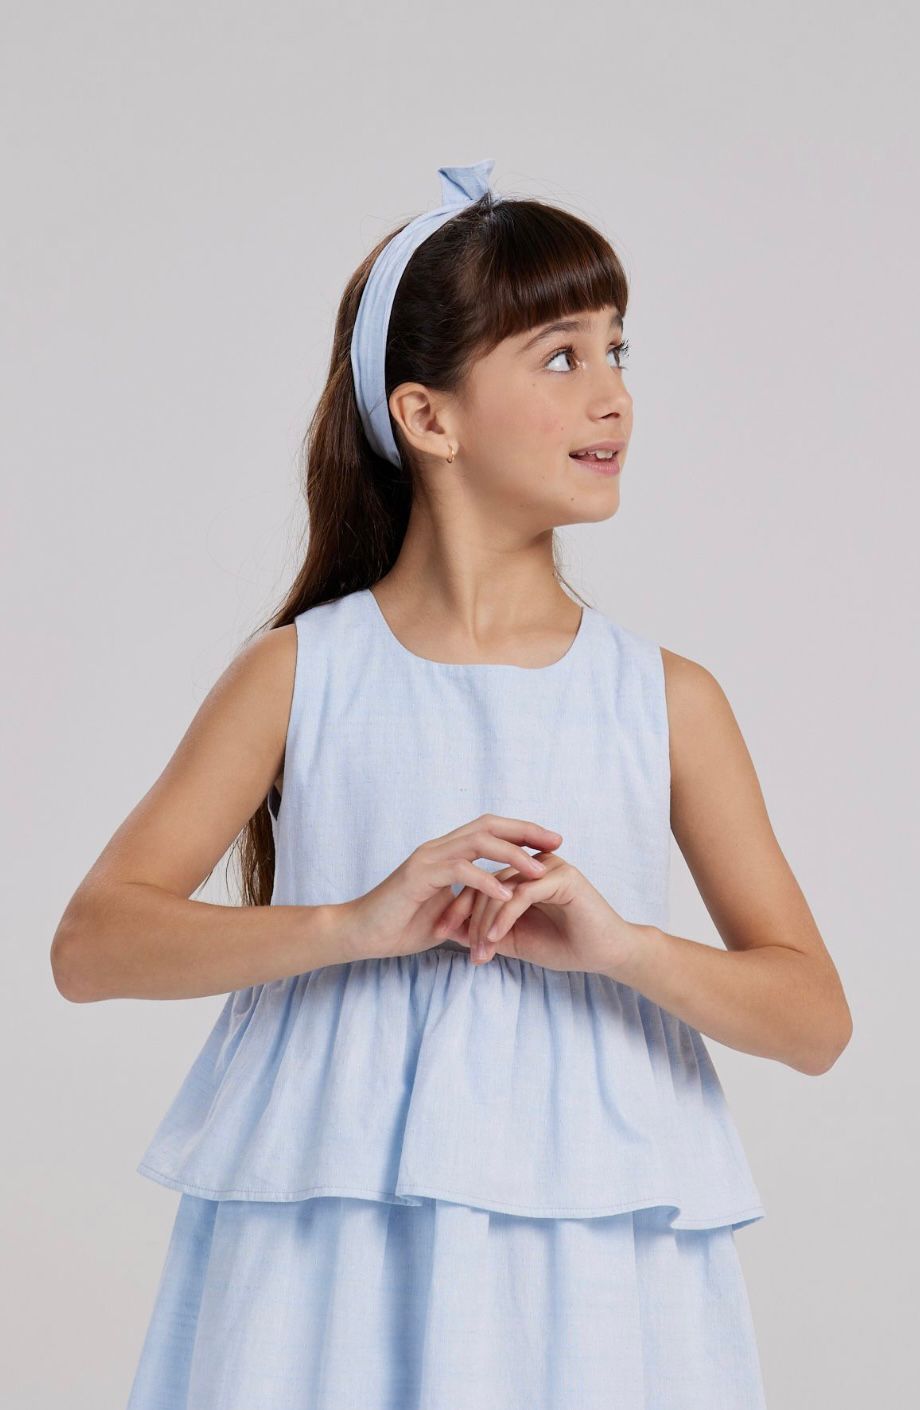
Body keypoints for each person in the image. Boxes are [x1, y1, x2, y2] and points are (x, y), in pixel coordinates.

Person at [52, 159, 852, 1409]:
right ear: (427, 418)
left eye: (616, 350)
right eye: (559, 356)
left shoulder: (664, 698)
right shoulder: (300, 674)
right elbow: (93, 946)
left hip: (600, 1240)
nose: (612, 396)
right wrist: (352, 925)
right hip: (327, 1235)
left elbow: (812, 1021)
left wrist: (620, 948)